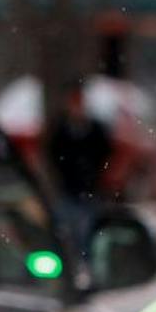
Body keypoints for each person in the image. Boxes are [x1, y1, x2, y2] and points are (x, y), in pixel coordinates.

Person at [46, 80, 111, 256]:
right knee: (66, 230)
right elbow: (53, 154)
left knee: (88, 230)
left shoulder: (95, 129)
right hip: (68, 188)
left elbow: (105, 153)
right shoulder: (61, 128)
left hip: (90, 189)